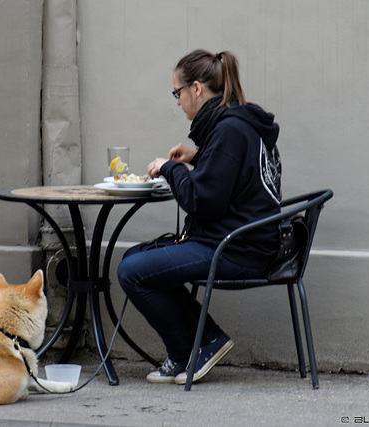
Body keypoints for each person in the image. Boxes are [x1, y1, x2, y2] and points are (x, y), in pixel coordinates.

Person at [117, 49, 282, 385]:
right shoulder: (237, 124)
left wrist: (171, 168)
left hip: (237, 249)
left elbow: (202, 202)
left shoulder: (229, 131)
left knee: (131, 271)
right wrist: (198, 157)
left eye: (177, 93)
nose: (177, 102)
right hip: (243, 241)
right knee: (137, 257)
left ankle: (187, 351)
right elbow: (229, 178)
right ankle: (204, 341)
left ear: (195, 88)